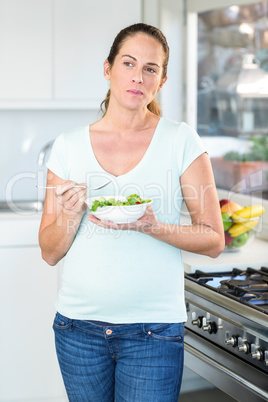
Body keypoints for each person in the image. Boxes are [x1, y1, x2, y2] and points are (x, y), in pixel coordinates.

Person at [39, 23, 224, 402]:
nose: (138, 77)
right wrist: (71, 215)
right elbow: (49, 251)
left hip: (153, 332)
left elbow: (213, 239)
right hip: (78, 330)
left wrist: (152, 226)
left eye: (150, 69)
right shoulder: (69, 147)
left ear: (162, 80)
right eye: (128, 63)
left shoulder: (180, 140)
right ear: (108, 69)